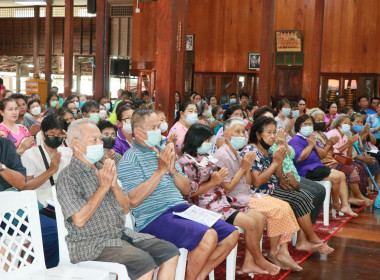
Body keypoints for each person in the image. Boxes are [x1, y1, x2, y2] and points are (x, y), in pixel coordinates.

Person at [117, 108, 239, 279]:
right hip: (155, 217)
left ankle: (196, 276)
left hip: (181, 209)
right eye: (153, 127)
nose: (158, 131)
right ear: (138, 131)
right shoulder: (130, 159)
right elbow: (134, 200)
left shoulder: (164, 150)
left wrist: (173, 170)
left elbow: (187, 190)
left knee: (231, 234)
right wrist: (160, 171)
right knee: (208, 236)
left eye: (158, 127)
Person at [56, 119, 179, 279]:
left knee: (169, 251)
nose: (100, 143)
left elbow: (126, 208)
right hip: (91, 243)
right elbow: (79, 220)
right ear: (77, 144)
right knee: (142, 262)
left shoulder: (103, 168)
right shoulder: (68, 177)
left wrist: (114, 186)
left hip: (119, 235)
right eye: (94, 140)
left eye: (100, 139)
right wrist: (103, 188)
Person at [214, 119, 305, 272]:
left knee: (284, 206)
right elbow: (230, 188)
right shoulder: (223, 154)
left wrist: (248, 168)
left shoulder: (237, 153)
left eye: (243, 131)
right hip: (236, 198)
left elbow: (248, 182)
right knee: (277, 209)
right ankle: (274, 252)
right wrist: (245, 169)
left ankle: (280, 251)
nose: (242, 135)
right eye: (237, 132)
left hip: (247, 193)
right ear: (226, 134)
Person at [243, 117, 334, 255]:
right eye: (269, 133)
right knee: (299, 199)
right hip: (259, 191)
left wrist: (280, 155)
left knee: (307, 195)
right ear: (257, 134)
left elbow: (279, 175)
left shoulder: (267, 149)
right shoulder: (252, 150)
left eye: (274, 132)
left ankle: (303, 240)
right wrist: (275, 163)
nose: (273, 136)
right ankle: (311, 238)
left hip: (272, 186)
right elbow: (257, 182)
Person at [0, 137, 59, 269]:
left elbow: (21, 183)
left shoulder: (4, 145)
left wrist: (1, 167)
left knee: (54, 232)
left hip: (13, 212)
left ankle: (47, 272)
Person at [289, 114, 358, 216]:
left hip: (318, 166)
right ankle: (335, 204)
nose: (308, 127)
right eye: (305, 124)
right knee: (335, 177)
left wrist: (320, 145)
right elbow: (299, 158)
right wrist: (310, 146)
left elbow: (322, 155)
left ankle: (344, 205)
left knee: (342, 175)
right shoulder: (295, 140)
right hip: (305, 170)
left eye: (310, 124)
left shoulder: (311, 138)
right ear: (299, 127)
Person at [21, 114, 72, 213]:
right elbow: (26, 187)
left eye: (60, 134)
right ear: (43, 134)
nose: (56, 137)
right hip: (41, 205)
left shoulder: (67, 152)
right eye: (52, 134)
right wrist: (51, 170)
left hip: (65, 202)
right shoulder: (30, 154)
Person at [325, 114, 373, 205]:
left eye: (348, 123)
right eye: (345, 123)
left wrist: (350, 144)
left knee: (360, 166)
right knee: (353, 169)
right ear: (339, 124)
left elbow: (349, 157)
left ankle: (354, 196)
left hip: (342, 160)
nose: (347, 125)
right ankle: (358, 196)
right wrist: (348, 144)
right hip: (331, 161)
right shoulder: (333, 133)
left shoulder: (345, 136)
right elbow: (334, 153)